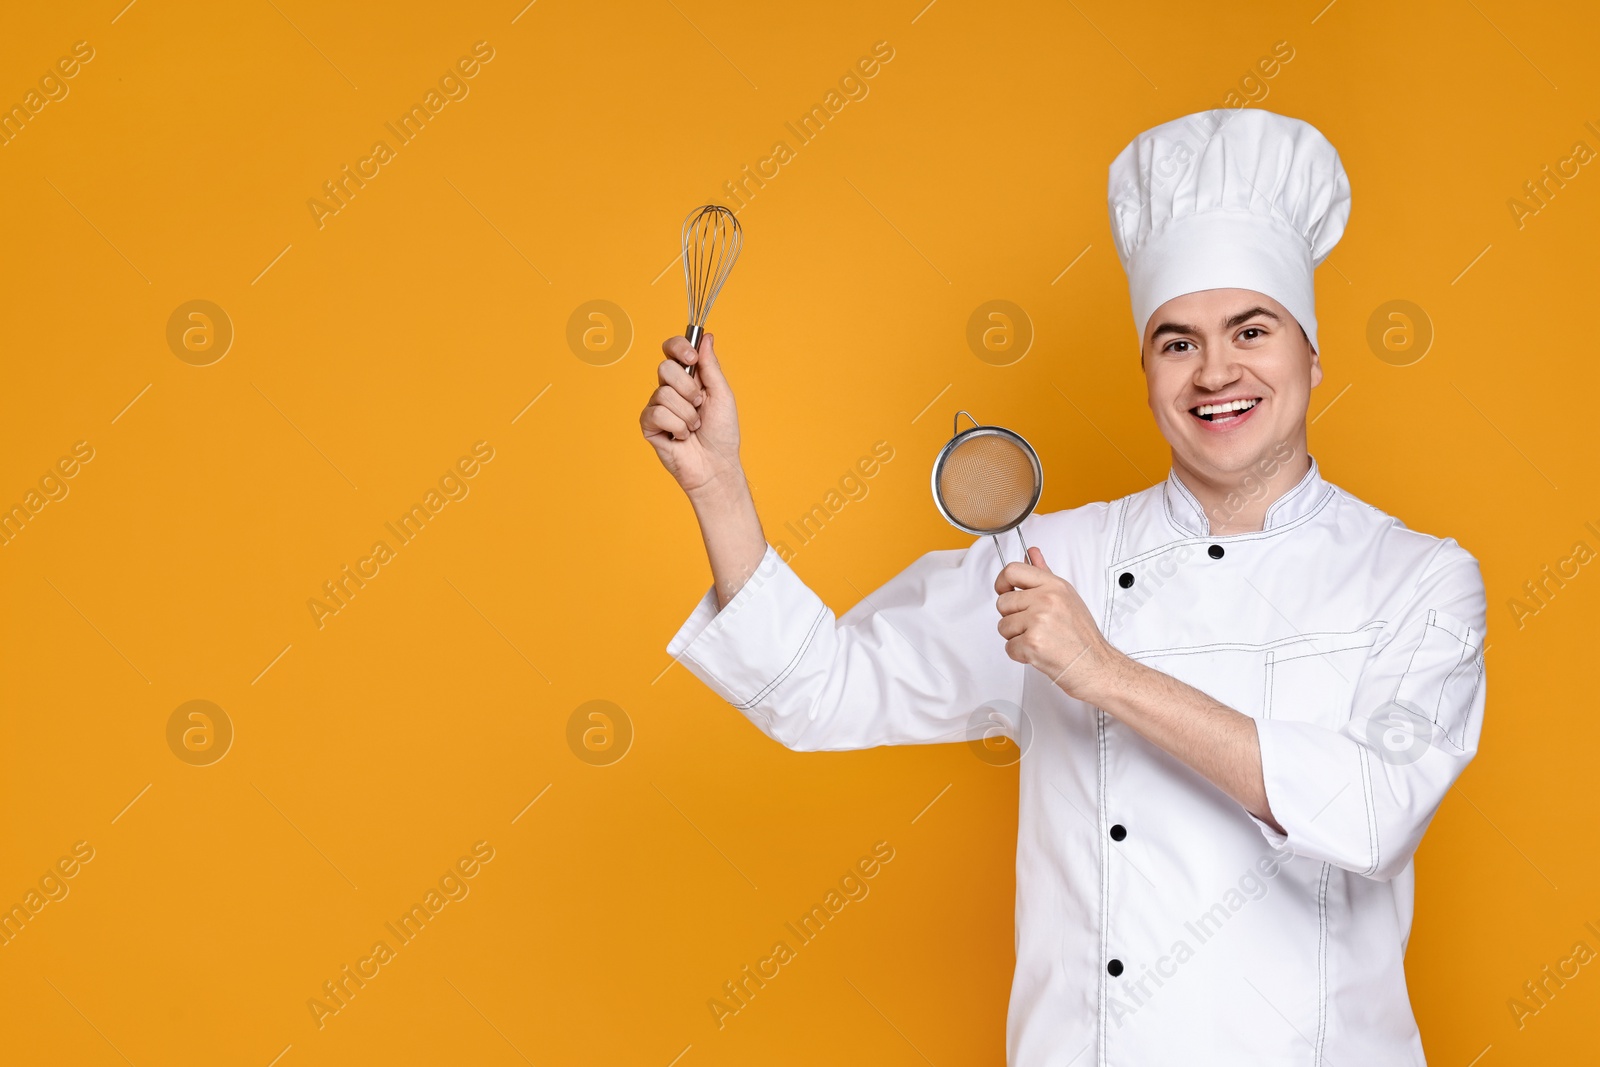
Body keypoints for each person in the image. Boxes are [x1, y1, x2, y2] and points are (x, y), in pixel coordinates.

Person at [639, 107, 1486, 1066]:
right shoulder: (1046, 559)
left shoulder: (1418, 578)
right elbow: (818, 689)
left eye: (1252, 329)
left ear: (1311, 352)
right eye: (1177, 341)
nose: (1217, 371)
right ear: (1147, 368)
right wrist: (719, 486)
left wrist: (1102, 670)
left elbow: (1371, 814)